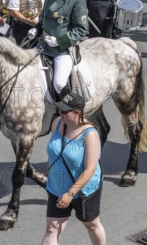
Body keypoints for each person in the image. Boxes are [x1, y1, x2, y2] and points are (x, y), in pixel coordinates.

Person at [40, 92, 105, 245]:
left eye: (64, 111)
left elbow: (90, 169)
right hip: (56, 187)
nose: (60, 113)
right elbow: (54, 153)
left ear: (77, 113)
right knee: (51, 228)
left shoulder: (90, 135)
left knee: (92, 225)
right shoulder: (56, 123)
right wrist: (50, 175)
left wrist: (70, 194)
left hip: (83, 191)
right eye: (60, 110)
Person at [34, 0, 88, 100]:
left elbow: (82, 30)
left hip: (62, 50)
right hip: (43, 45)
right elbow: (44, 18)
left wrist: (59, 41)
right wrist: (36, 29)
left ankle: (68, 112)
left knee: (59, 83)